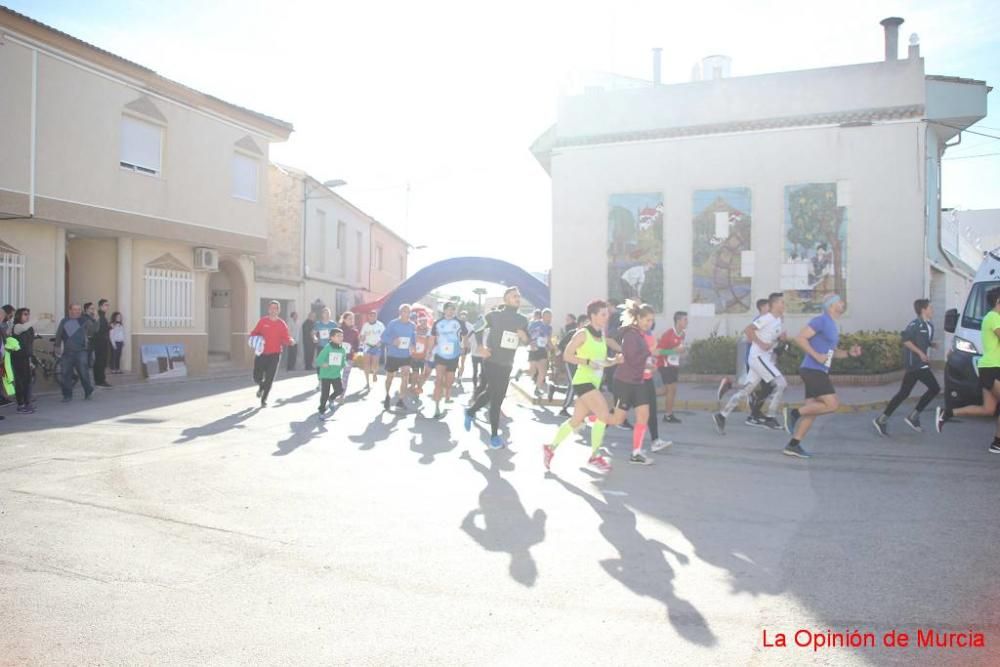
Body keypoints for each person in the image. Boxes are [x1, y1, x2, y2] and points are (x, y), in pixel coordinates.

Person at [542, 299, 626, 473]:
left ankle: (550, 447)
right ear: (593, 316)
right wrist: (586, 361)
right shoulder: (582, 334)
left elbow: (602, 362)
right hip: (583, 381)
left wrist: (614, 361)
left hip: (593, 382)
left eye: (607, 314)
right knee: (603, 415)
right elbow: (567, 355)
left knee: (575, 421)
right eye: (603, 314)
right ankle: (595, 455)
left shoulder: (601, 335)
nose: (606, 317)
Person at [783, 295, 862, 458]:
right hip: (813, 370)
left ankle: (793, 445)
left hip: (817, 370)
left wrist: (848, 353)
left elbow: (831, 353)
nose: (842, 304)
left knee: (812, 411)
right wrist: (817, 355)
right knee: (832, 404)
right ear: (832, 305)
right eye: (840, 301)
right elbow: (800, 337)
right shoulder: (821, 320)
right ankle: (793, 413)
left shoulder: (831, 325)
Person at [936, 286, 1000, 454]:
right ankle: (998, 441)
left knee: (989, 409)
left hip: (991, 368)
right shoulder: (993, 317)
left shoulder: (994, 317)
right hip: (992, 369)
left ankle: (948, 413)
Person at [464, 287, 530, 449]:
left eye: (519, 296)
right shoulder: (494, 315)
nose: (518, 298)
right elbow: (476, 328)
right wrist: (480, 347)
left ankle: (471, 411)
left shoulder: (523, 320)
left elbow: (527, 341)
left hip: (508, 364)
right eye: (514, 296)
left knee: (492, 393)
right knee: (497, 398)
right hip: (492, 361)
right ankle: (494, 436)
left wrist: (524, 337)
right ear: (506, 299)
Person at [714, 293, 788, 433]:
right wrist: (761, 344)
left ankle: (722, 415)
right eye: (782, 303)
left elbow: (770, 337)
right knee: (781, 383)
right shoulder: (767, 318)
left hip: (763, 358)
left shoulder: (778, 320)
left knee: (746, 390)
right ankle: (770, 417)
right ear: (775, 304)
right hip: (758, 357)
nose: (784, 305)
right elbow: (748, 330)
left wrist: (780, 339)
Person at [613, 301, 671, 464]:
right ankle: (590, 418)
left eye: (651, 320)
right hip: (625, 382)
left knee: (643, 416)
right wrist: (649, 351)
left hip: (638, 382)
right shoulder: (630, 335)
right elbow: (632, 358)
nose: (649, 323)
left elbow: (638, 360)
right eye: (646, 320)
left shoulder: (639, 335)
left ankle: (636, 453)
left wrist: (649, 366)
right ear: (638, 318)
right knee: (617, 419)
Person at [874, 299, 940, 436]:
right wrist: (921, 353)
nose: (932, 310)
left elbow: (922, 340)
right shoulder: (915, 324)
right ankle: (912, 417)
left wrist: (931, 344)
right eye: (930, 308)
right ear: (923, 310)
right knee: (934, 388)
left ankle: (882, 419)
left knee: (904, 393)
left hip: (920, 364)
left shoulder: (929, 326)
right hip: (915, 364)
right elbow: (906, 341)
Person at [718, 298, 770, 402]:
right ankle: (730, 387)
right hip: (754, 359)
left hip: (760, 359)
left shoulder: (766, 321)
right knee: (762, 385)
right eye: (769, 306)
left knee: (759, 385)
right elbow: (749, 338)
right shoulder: (759, 321)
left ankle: (730, 386)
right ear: (763, 308)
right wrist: (762, 344)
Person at [249, 300, 295, 407]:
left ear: (279, 310)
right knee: (257, 377)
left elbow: (286, 337)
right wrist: (252, 339)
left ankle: (264, 399)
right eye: (272, 308)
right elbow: (254, 333)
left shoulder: (281, 324)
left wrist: (290, 341)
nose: (274, 310)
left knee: (269, 378)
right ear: (269, 310)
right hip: (261, 353)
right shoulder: (263, 321)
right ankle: (261, 386)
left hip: (275, 354)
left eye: (276, 308)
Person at [53, 303, 97, 402]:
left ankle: (88, 391)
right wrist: (57, 346)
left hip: (81, 351)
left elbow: (94, 330)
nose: (77, 311)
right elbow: (59, 334)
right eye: (75, 309)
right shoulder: (65, 321)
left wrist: (94, 318)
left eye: (79, 309)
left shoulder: (84, 320)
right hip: (68, 352)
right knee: (65, 374)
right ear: (70, 311)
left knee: (83, 373)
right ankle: (67, 395)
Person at [430, 302, 464, 418]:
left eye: (453, 310)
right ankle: (436, 407)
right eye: (449, 309)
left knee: (449, 383)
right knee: (438, 380)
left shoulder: (459, 323)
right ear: (444, 310)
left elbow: (464, 337)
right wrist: (429, 351)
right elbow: (432, 338)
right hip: (440, 355)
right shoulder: (438, 323)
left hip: (453, 356)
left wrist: (464, 348)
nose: (451, 311)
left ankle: (445, 393)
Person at [381, 304, 416, 411]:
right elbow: (383, 337)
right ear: (400, 313)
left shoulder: (412, 325)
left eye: (408, 312)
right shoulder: (393, 323)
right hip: (393, 355)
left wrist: (413, 345)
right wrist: (392, 341)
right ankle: (387, 395)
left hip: (405, 355)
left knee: (405, 375)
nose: (407, 314)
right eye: (404, 311)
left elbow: (413, 338)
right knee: (390, 377)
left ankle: (400, 400)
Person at [657, 311, 688, 424]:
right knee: (671, 390)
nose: (687, 322)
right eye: (685, 319)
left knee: (666, 391)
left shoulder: (683, 334)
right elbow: (659, 351)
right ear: (678, 321)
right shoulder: (668, 334)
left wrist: (681, 353)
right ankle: (668, 415)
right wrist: (674, 351)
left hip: (674, 365)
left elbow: (678, 350)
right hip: (665, 365)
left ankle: (645, 395)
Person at [557, 314, 586, 417]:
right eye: (585, 323)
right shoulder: (572, 333)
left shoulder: (588, 335)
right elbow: (560, 345)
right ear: (579, 324)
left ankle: (581, 410)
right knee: (573, 384)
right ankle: (564, 409)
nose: (587, 325)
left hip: (581, 363)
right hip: (570, 362)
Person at [315, 327, 348, 419]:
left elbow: (343, 360)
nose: (341, 338)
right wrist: (323, 364)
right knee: (324, 394)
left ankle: (332, 398)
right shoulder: (327, 348)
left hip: (336, 375)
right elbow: (318, 360)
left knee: (340, 390)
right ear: (332, 338)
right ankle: (321, 411)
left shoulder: (342, 349)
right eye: (338, 336)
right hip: (325, 375)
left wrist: (344, 364)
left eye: (342, 336)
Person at [10, 308, 35, 413]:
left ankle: (27, 403)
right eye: (25, 314)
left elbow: (30, 344)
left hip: (26, 357)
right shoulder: (17, 326)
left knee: (27, 381)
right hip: (18, 358)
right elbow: (22, 328)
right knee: (20, 382)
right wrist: (38, 318)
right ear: (19, 315)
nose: (27, 316)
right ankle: (21, 405)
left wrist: (30, 360)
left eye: (28, 314)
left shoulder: (29, 328)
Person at [527, 308, 553, 397]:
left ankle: (537, 389)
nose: (549, 318)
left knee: (543, 372)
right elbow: (527, 334)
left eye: (550, 317)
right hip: (534, 349)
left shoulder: (549, 328)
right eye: (547, 316)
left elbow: (548, 340)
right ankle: (521, 372)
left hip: (543, 350)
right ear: (543, 316)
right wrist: (531, 343)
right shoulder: (535, 323)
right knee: (532, 371)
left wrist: (554, 349)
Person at [359, 310, 386, 390]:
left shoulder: (380, 325)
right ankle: (367, 382)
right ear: (368, 316)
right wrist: (362, 338)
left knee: (375, 364)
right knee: (366, 364)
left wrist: (380, 342)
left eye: (374, 315)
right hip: (367, 346)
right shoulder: (365, 325)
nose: (372, 317)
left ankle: (374, 373)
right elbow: (361, 336)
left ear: (376, 316)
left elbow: (385, 335)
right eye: (371, 315)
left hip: (376, 346)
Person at [338, 311, 360, 397]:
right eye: (349, 319)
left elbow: (356, 344)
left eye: (353, 319)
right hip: (338, 356)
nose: (352, 320)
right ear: (344, 319)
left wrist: (355, 351)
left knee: (345, 376)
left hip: (349, 356)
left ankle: (342, 395)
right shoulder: (338, 330)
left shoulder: (355, 331)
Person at [410, 315, 432, 396]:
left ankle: (419, 387)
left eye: (425, 321)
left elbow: (432, 342)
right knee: (415, 372)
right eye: (422, 321)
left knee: (423, 374)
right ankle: (412, 387)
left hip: (425, 356)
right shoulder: (415, 329)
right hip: (414, 355)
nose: (423, 323)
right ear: (419, 321)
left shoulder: (430, 330)